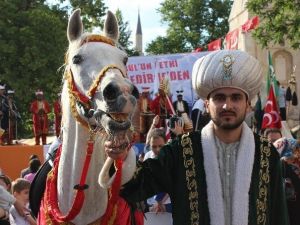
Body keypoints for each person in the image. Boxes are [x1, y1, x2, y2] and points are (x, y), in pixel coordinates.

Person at [106, 50, 289, 225]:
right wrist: (121, 156)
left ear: (248, 105)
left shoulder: (266, 154)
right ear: (207, 104)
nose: (227, 105)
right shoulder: (181, 151)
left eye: (236, 98)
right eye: (219, 98)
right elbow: (135, 186)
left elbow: (279, 215)